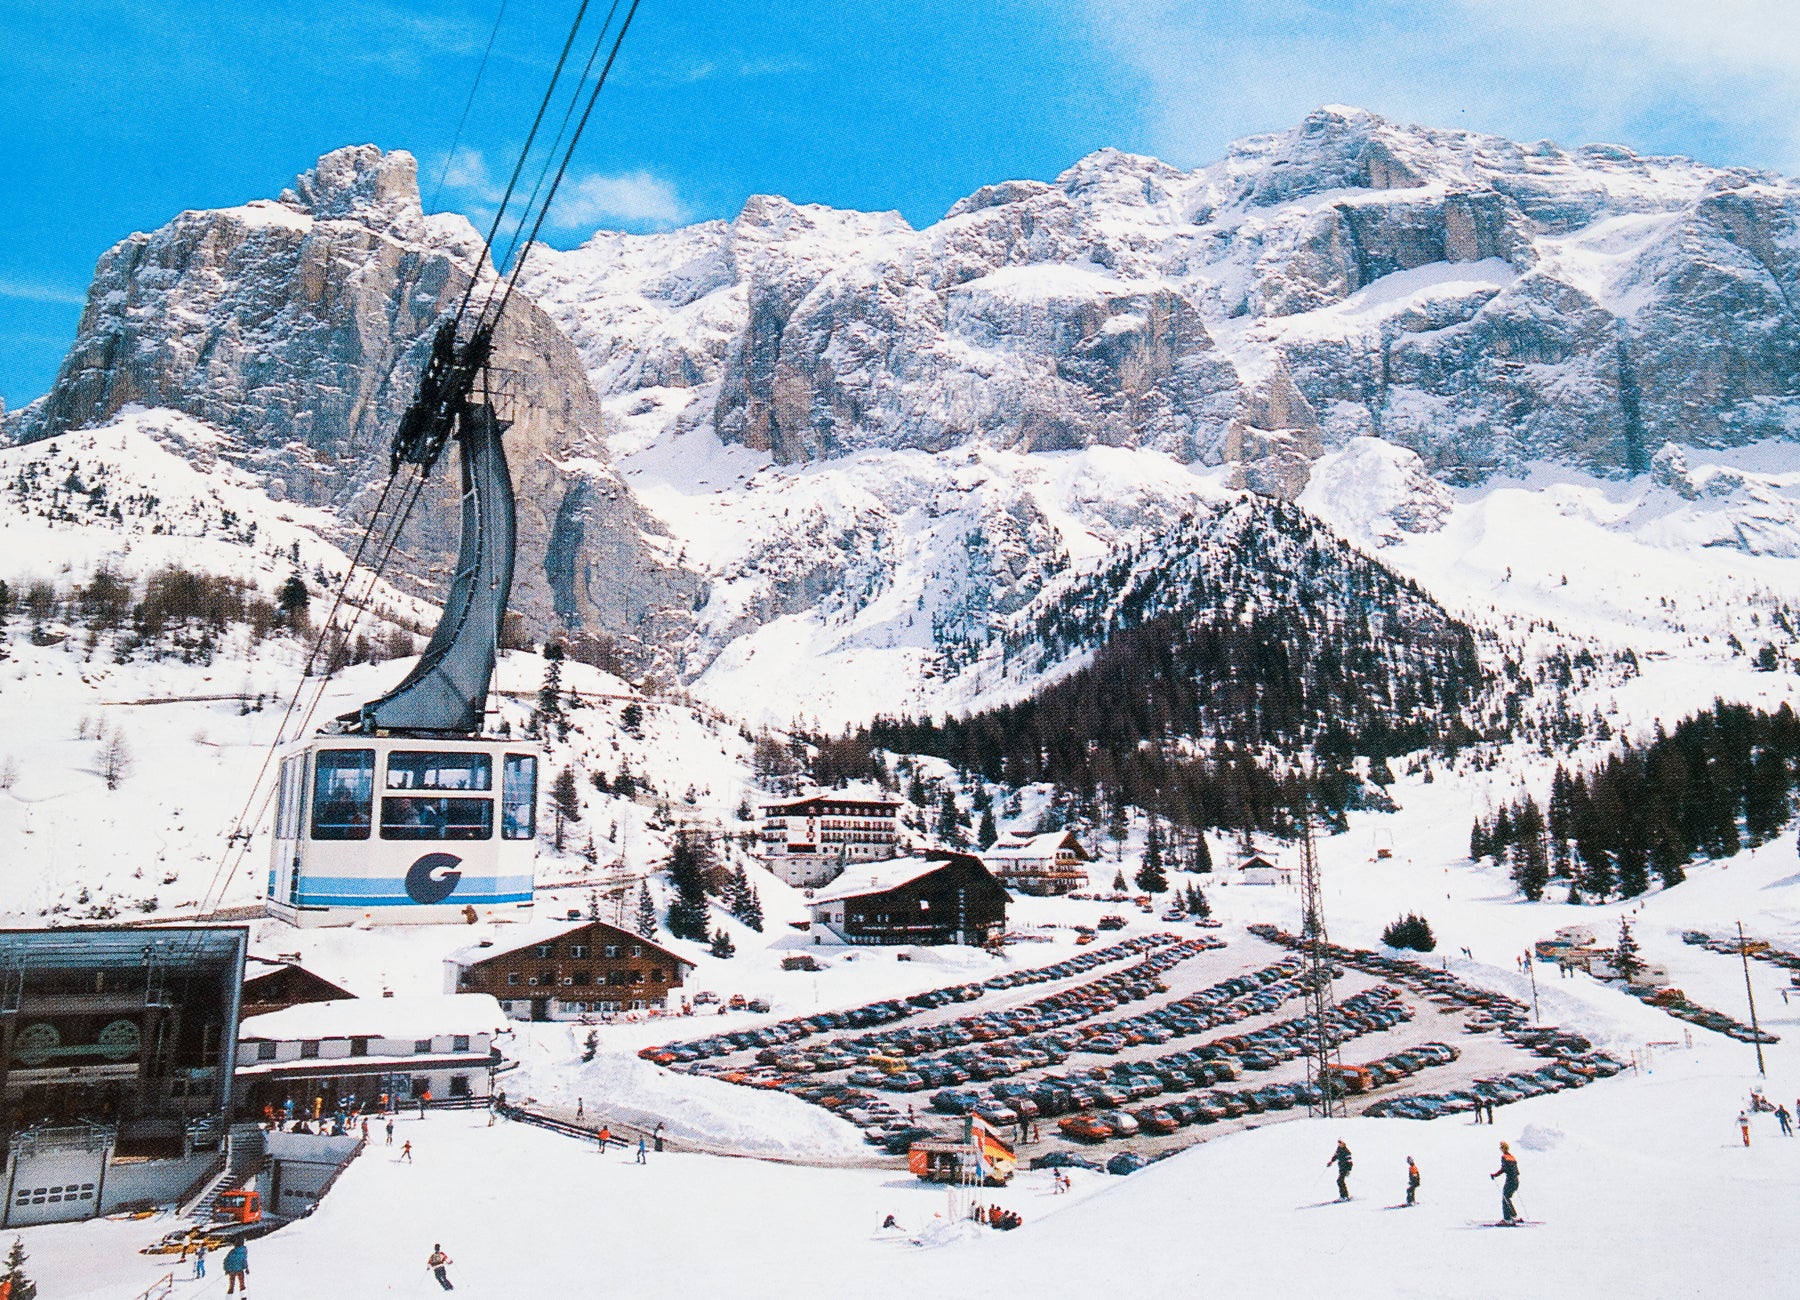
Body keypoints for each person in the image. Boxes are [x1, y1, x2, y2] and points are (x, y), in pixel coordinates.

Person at [1490, 1141, 1520, 1223]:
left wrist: (1494, 1175)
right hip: (1516, 1181)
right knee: (1507, 1197)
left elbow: (1504, 1169)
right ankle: (1513, 1215)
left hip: (1510, 1180)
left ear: (1503, 1149)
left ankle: (1508, 1219)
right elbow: (1517, 1171)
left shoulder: (1504, 1157)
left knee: (1505, 1198)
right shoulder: (1512, 1157)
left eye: (1501, 1148)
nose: (1500, 1149)